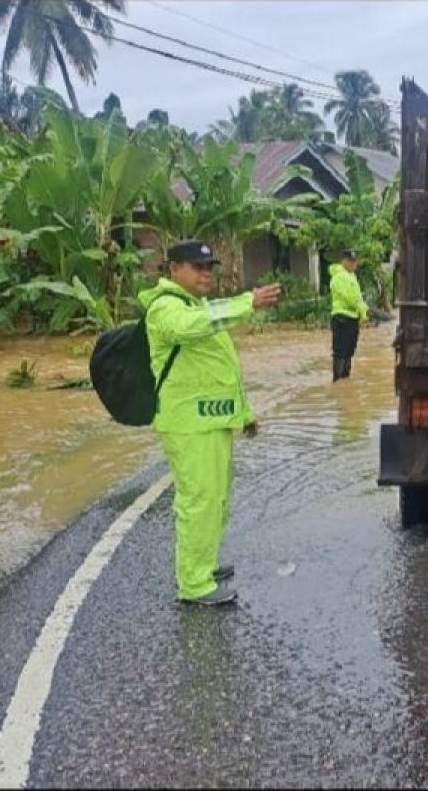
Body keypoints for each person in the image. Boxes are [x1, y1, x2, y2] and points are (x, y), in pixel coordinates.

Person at [138, 240, 282, 606]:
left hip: (214, 421)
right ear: (173, 269)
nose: (206, 274)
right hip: (188, 424)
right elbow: (191, 327)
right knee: (199, 501)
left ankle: (205, 565)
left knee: (217, 499)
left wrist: (245, 414)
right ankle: (194, 584)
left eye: (208, 268)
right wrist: (247, 303)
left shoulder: (200, 306)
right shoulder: (165, 308)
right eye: (196, 267)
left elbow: (222, 370)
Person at [329, 248, 368, 381]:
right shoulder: (338, 276)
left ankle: (345, 381)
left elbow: (358, 297)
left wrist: (363, 313)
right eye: (350, 261)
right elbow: (350, 298)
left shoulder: (352, 276)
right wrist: (363, 310)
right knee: (340, 352)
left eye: (354, 261)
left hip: (353, 319)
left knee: (349, 352)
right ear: (343, 261)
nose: (353, 264)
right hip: (341, 318)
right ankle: (337, 380)